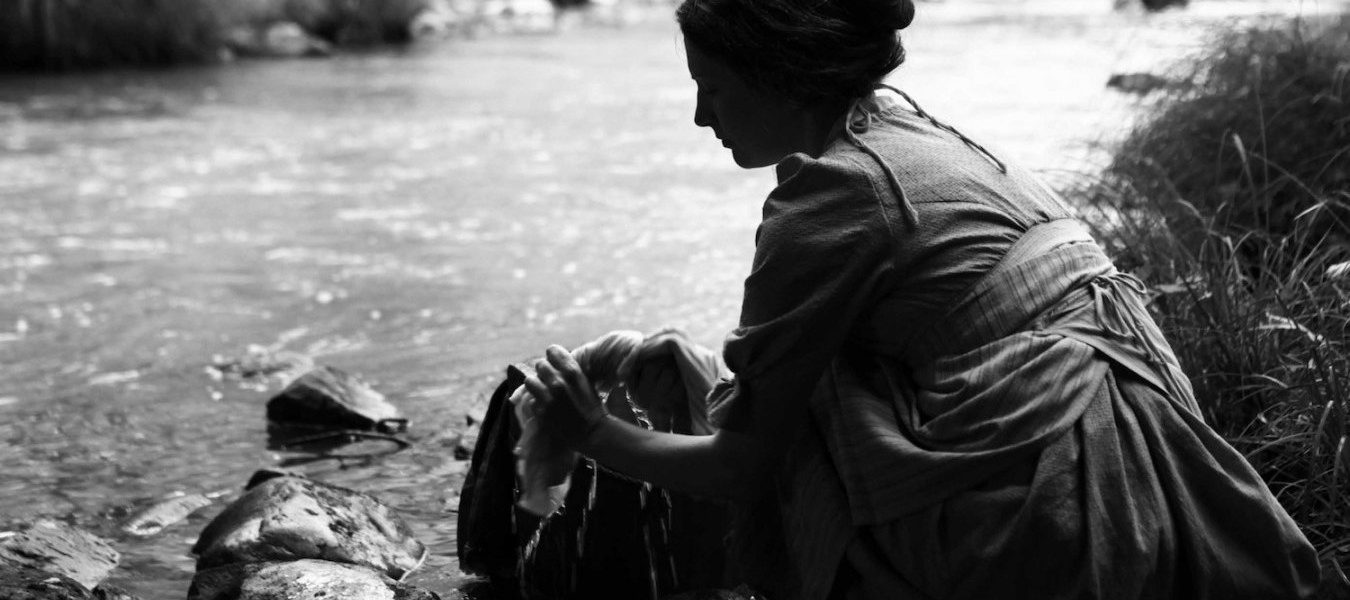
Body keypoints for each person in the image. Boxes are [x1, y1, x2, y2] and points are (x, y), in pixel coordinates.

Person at [519, 0, 1322, 598]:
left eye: (713, 89)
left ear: (776, 74)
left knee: (805, 432)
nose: (701, 117)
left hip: (1066, 508)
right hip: (1167, 458)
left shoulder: (827, 198)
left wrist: (589, 431)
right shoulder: (911, 132)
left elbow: (740, 467)